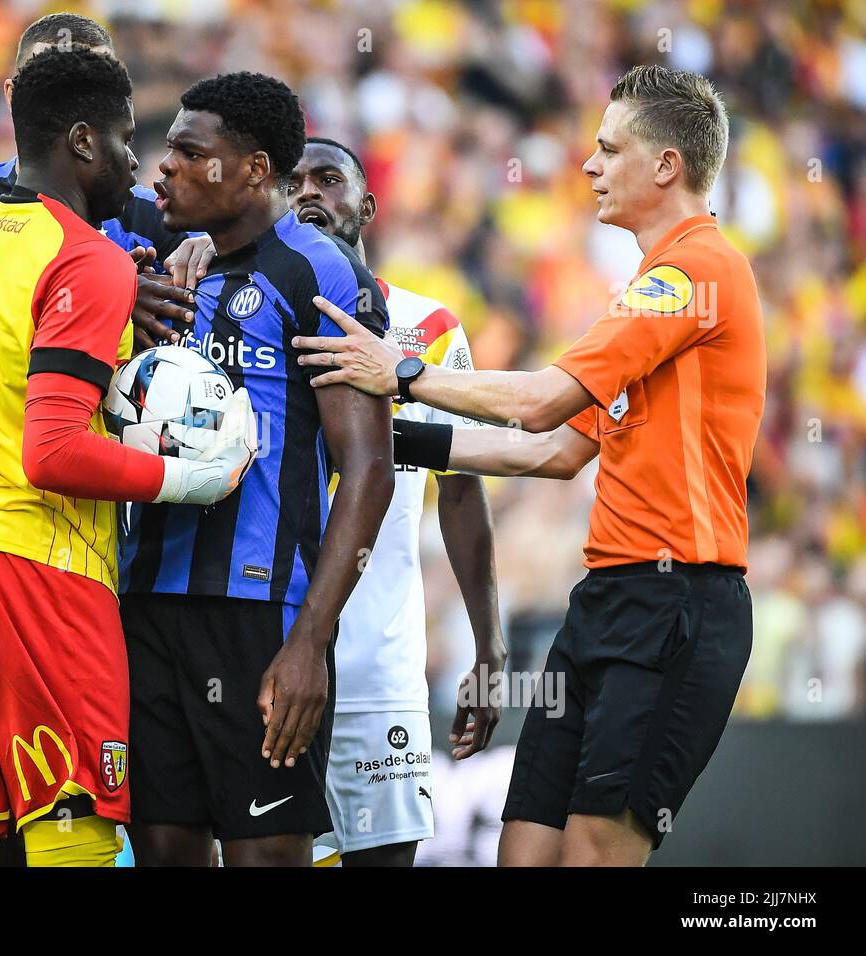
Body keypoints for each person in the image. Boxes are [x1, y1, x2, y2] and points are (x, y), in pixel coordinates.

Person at [295, 65, 763, 867]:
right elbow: (552, 453)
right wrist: (383, 437)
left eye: (608, 149)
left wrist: (400, 374)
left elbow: (541, 404)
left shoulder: (697, 273)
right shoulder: (651, 286)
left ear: (665, 167)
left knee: (590, 854)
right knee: (525, 852)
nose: (587, 165)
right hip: (609, 599)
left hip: (678, 603)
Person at [0, 47, 255, 868]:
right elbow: (52, 451)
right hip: (31, 566)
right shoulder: (86, 256)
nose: (139, 163)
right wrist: (184, 478)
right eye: (128, 140)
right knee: (75, 830)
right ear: (84, 142)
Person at [119, 72, 395, 867]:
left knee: (264, 857)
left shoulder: (321, 273)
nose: (162, 167)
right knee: (164, 850)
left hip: (262, 615)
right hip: (145, 604)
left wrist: (311, 640)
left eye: (189, 153)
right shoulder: (162, 266)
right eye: (165, 150)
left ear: (253, 169)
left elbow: (368, 468)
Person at [286, 138, 505, 867]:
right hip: (267, 653)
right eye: (293, 181)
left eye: (327, 179)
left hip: (380, 664)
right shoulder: (241, 308)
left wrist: (489, 643)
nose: (307, 192)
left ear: (367, 206)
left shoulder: (427, 327)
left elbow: (464, 490)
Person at [0, 12, 202, 352]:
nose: (76, 107)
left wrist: (216, 246)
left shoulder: (159, 215)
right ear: (13, 95)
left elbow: (229, 294)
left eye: (96, 89)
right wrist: (109, 300)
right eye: (53, 88)